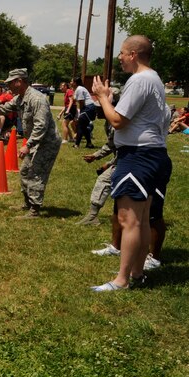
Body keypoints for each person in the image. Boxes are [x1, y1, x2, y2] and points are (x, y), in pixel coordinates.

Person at [89, 35, 171, 291]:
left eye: (123, 53)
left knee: (129, 219)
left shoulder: (138, 80)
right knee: (143, 218)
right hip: (153, 153)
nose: (120, 58)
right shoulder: (154, 79)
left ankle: (122, 280)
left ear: (134, 54)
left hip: (138, 156)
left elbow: (117, 121)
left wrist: (103, 97)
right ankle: (136, 273)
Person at [0, 68, 61, 218]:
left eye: (10, 83)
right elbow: (2, 108)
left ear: (19, 81)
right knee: (24, 171)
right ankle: (28, 204)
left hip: (47, 142)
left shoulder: (37, 99)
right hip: (36, 141)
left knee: (36, 173)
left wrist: (28, 145)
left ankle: (35, 210)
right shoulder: (20, 98)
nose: (8, 86)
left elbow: (40, 126)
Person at [77, 126, 116, 226]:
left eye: (98, 109)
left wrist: (108, 164)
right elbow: (111, 145)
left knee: (104, 180)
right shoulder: (110, 123)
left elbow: (125, 151)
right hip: (124, 159)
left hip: (131, 161)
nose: (95, 112)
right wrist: (96, 155)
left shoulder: (117, 123)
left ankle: (92, 216)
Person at [71, 77, 96, 148]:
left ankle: (77, 144)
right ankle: (89, 144)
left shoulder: (79, 89)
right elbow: (74, 99)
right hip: (88, 108)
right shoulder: (78, 89)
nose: (70, 83)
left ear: (75, 83)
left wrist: (81, 113)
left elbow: (81, 102)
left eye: (71, 81)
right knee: (84, 127)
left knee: (80, 125)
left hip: (88, 108)